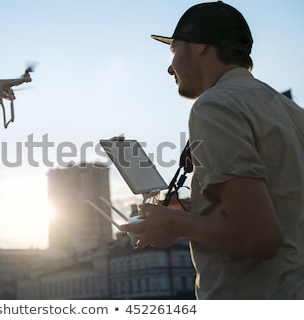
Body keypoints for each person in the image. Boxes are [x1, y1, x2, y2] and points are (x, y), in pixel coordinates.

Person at [120, 1, 304, 299]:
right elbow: (282, 208)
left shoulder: (215, 106)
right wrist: (193, 209)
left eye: (173, 50)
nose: (170, 67)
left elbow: (260, 237)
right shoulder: (290, 111)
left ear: (200, 46)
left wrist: (175, 224)